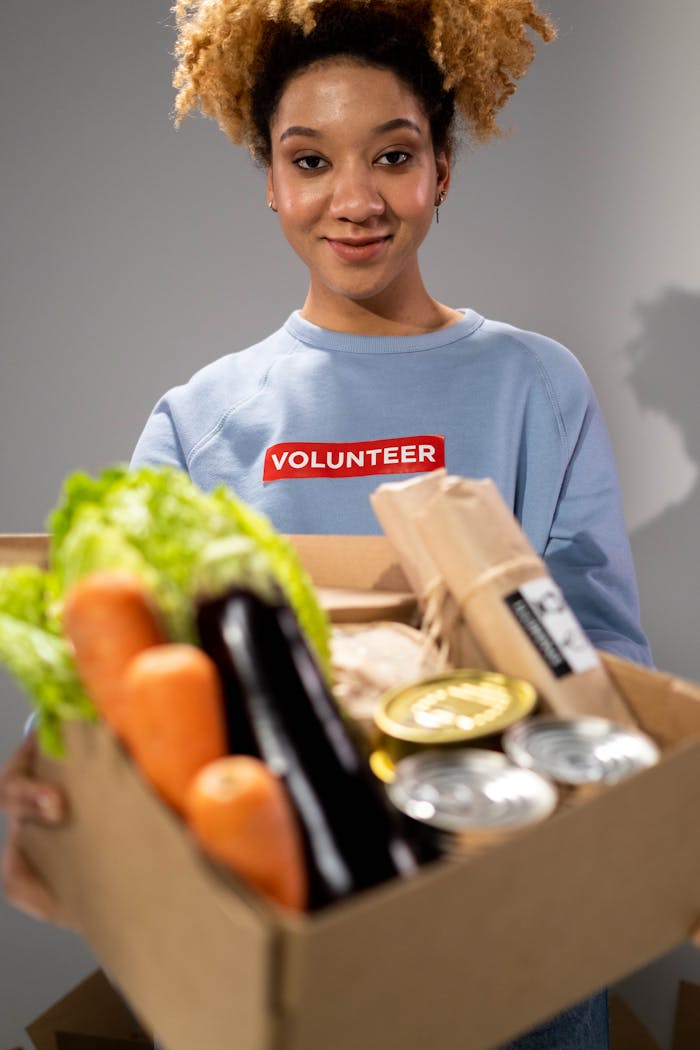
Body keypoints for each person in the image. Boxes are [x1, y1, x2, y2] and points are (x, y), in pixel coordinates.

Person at [1, 0, 652, 1046]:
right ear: (269, 180)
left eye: (392, 155)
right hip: (292, 933)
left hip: (512, 944)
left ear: (441, 165)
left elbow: (599, 647)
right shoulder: (204, 416)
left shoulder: (533, 385)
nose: (354, 200)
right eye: (310, 162)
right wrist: (55, 776)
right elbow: (117, 647)